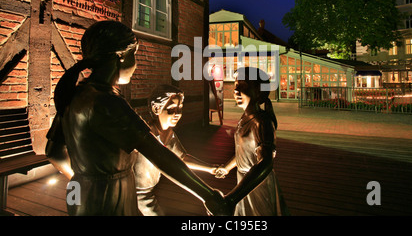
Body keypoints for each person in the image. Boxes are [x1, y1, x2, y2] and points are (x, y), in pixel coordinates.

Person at [45, 20, 231, 216]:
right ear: (121, 56)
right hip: (111, 198)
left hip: (80, 195)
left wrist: (85, 179)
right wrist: (208, 195)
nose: (135, 64)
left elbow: (54, 152)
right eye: (134, 55)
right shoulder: (108, 103)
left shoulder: (76, 95)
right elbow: (158, 154)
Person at [134, 84, 219, 216]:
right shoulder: (147, 134)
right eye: (172, 108)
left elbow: (182, 157)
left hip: (148, 193)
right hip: (136, 194)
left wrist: (210, 168)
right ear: (156, 108)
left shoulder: (169, 134)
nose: (178, 114)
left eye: (180, 108)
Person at [215, 67, 290, 216]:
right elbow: (244, 151)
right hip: (243, 181)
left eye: (242, 85)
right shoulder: (244, 120)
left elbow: (265, 162)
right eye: (236, 85)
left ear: (258, 90)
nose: (236, 90)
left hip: (257, 184)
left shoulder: (261, 122)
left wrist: (233, 197)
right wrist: (227, 167)